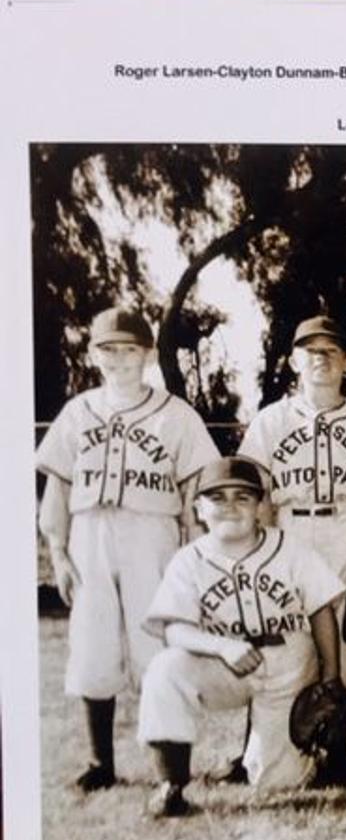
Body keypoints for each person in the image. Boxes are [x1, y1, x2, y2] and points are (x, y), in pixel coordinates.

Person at [34, 307, 219, 791]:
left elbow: (196, 495)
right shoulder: (79, 411)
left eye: (129, 350)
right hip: (89, 532)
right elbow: (57, 488)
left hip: (151, 533)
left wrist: (194, 557)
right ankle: (101, 764)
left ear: (149, 355)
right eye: (108, 350)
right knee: (92, 643)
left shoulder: (176, 415)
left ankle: (171, 772)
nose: (119, 360)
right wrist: (57, 549)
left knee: (155, 644)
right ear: (94, 355)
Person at [136, 458, 344, 816]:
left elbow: (321, 611)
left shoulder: (289, 548)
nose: (230, 505)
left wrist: (331, 679)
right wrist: (222, 645)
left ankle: (303, 756)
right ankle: (170, 783)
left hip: (288, 661)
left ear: (262, 507)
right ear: (200, 509)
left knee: (279, 784)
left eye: (243, 497)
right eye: (217, 497)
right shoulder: (189, 560)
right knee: (164, 670)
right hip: (223, 662)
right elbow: (173, 628)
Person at [238, 315, 346, 695]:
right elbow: (257, 492)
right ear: (295, 361)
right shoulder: (271, 420)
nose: (321, 359)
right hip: (289, 526)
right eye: (311, 352)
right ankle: (272, 742)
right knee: (288, 636)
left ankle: (338, 746)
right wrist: (262, 549)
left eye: (331, 351)